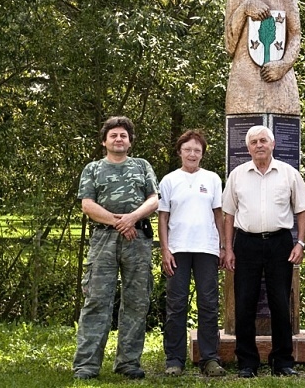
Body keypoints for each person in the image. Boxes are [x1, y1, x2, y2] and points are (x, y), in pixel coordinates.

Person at [222, 125, 305, 378]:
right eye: (254, 142)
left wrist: (301, 242)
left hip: (280, 243)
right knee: (244, 303)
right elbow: (228, 214)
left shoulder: (288, 173)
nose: (259, 145)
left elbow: (302, 209)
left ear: (272, 144)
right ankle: (247, 363)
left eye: (263, 140)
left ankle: (282, 362)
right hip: (246, 244)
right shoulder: (237, 175)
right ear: (248, 147)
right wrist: (228, 248)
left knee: (280, 302)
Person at [73, 116, 159, 380]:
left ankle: (128, 362)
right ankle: (86, 365)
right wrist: (119, 222)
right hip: (104, 241)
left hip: (138, 241)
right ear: (104, 141)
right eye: (114, 135)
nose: (119, 139)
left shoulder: (142, 166)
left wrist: (132, 218)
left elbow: (154, 199)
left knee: (136, 301)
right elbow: (87, 204)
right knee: (97, 301)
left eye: (123, 135)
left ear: (130, 141)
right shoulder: (93, 169)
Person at [158, 130, 226, 377]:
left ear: (202, 154)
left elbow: (219, 215)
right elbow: (163, 217)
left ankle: (209, 359)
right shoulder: (169, 180)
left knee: (208, 304)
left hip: (207, 249)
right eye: (188, 149)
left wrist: (223, 246)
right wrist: (165, 249)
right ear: (180, 152)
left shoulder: (212, 179)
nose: (192, 154)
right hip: (177, 250)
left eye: (197, 150)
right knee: (176, 305)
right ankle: (174, 360)